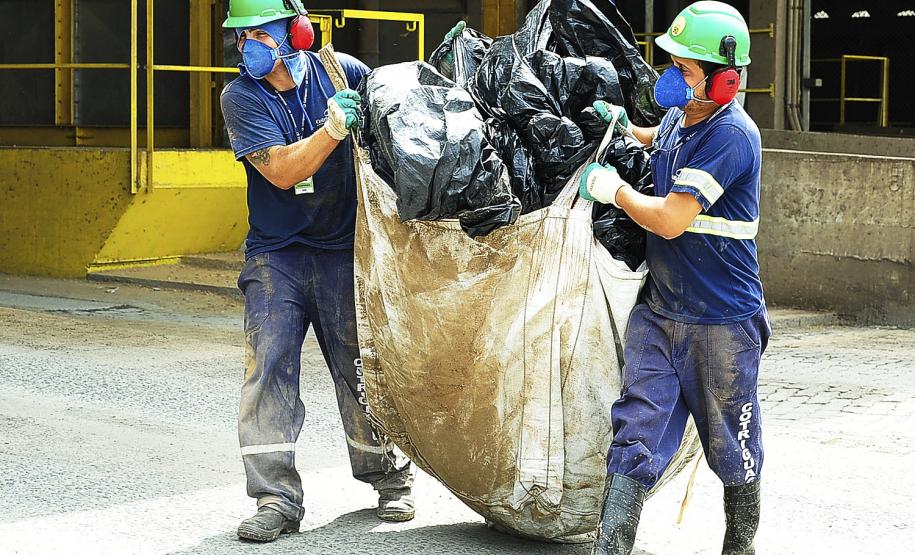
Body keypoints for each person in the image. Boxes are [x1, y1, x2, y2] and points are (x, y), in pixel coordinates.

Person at [219, 0, 414, 543]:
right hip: (275, 256)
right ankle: (275, 499)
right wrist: (332, 129)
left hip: (340, 250)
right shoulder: (240, 96)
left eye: (258, 33)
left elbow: (396, 132)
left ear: (294, 31)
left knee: (363, 368)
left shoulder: (342, 72)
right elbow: (282, 172)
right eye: (241, 36)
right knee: (269, 368)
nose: (246, 46)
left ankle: (389, 477)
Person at [579, 2, 770, 554]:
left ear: (726, 79)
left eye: (685, 69)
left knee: (733, 444)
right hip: (660, 311)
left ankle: (740, 546)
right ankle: (609, 547)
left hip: (723, 323)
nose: (671, 76)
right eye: (673, 63)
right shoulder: (679, 117)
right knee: (637, 429)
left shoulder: (733, 135)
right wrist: (621, 128)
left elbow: (669, 218)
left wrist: (613, 190)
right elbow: (658, 141)